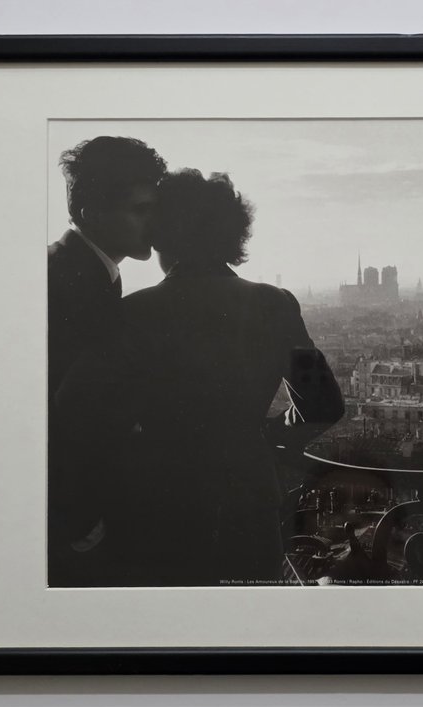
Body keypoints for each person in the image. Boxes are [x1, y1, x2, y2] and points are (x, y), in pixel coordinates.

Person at [56, 169, 344, 586]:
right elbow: (323, 405)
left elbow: (74, 409)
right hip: (249, 498)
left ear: (163, 236)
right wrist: (265, 432)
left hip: (159, 503)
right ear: (231, 234)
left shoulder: (133, 313)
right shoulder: (275, 304)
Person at [47, 136, 166, 585]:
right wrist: (78, 518)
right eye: (140, 210)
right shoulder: (74, 283)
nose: (154, 223)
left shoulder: (77, 270)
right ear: (91, 213)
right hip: (74, 522)